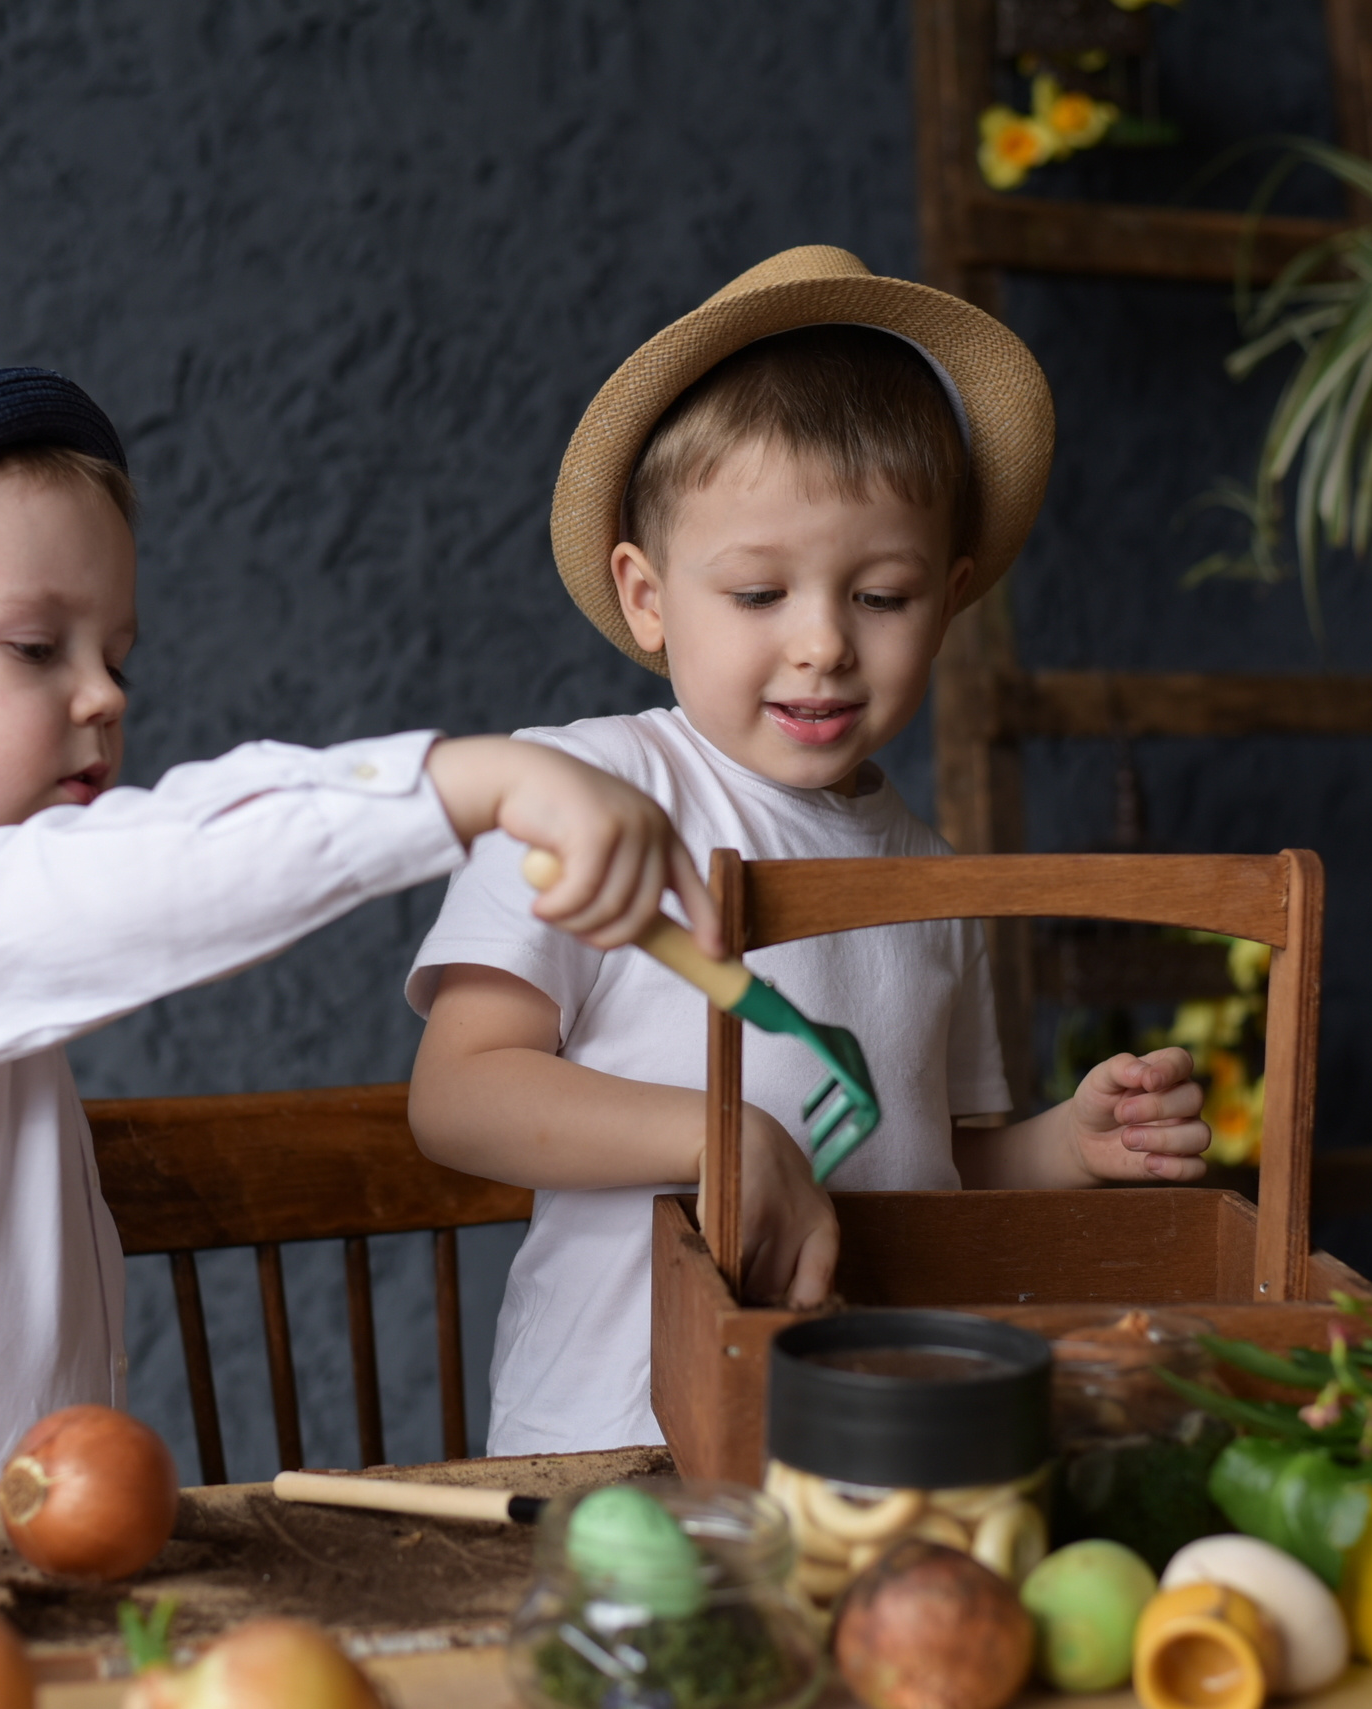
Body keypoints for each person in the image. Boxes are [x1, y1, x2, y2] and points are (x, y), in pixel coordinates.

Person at [0, 368, 715, 1490]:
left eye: (113, 656)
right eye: (36, 647)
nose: (105, 696)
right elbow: (166, 864)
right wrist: (475, 779)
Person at [406, 248, 1212, 1457]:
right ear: (647, 595)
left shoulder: (937, 878)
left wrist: (1067, 1143)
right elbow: (457, 1091)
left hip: (867, 1429)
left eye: (879, 596)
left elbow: (934, 1155)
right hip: (615, 1436)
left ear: (944, 600)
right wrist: (720, 1133)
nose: (823, 644)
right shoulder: (596, 790)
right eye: (758, 593)